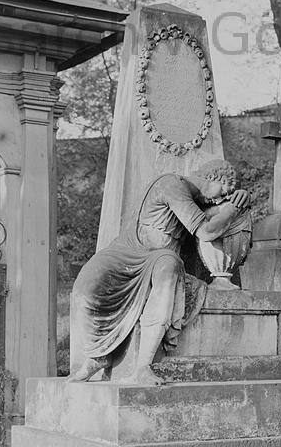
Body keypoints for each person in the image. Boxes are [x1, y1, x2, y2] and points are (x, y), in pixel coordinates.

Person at [70, 159, 250, 385]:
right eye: (223, 191)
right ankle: (99, 355)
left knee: (168, 265)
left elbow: (212, 217)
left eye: (226, 196)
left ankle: (143, 366)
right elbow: (206, 231)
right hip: (126, 252)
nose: (220, 198)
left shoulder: (195, 201)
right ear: (214, 177)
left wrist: (242, 197)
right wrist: (232, 208)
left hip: (157, 259)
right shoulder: (172, 185)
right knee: (85, 287)